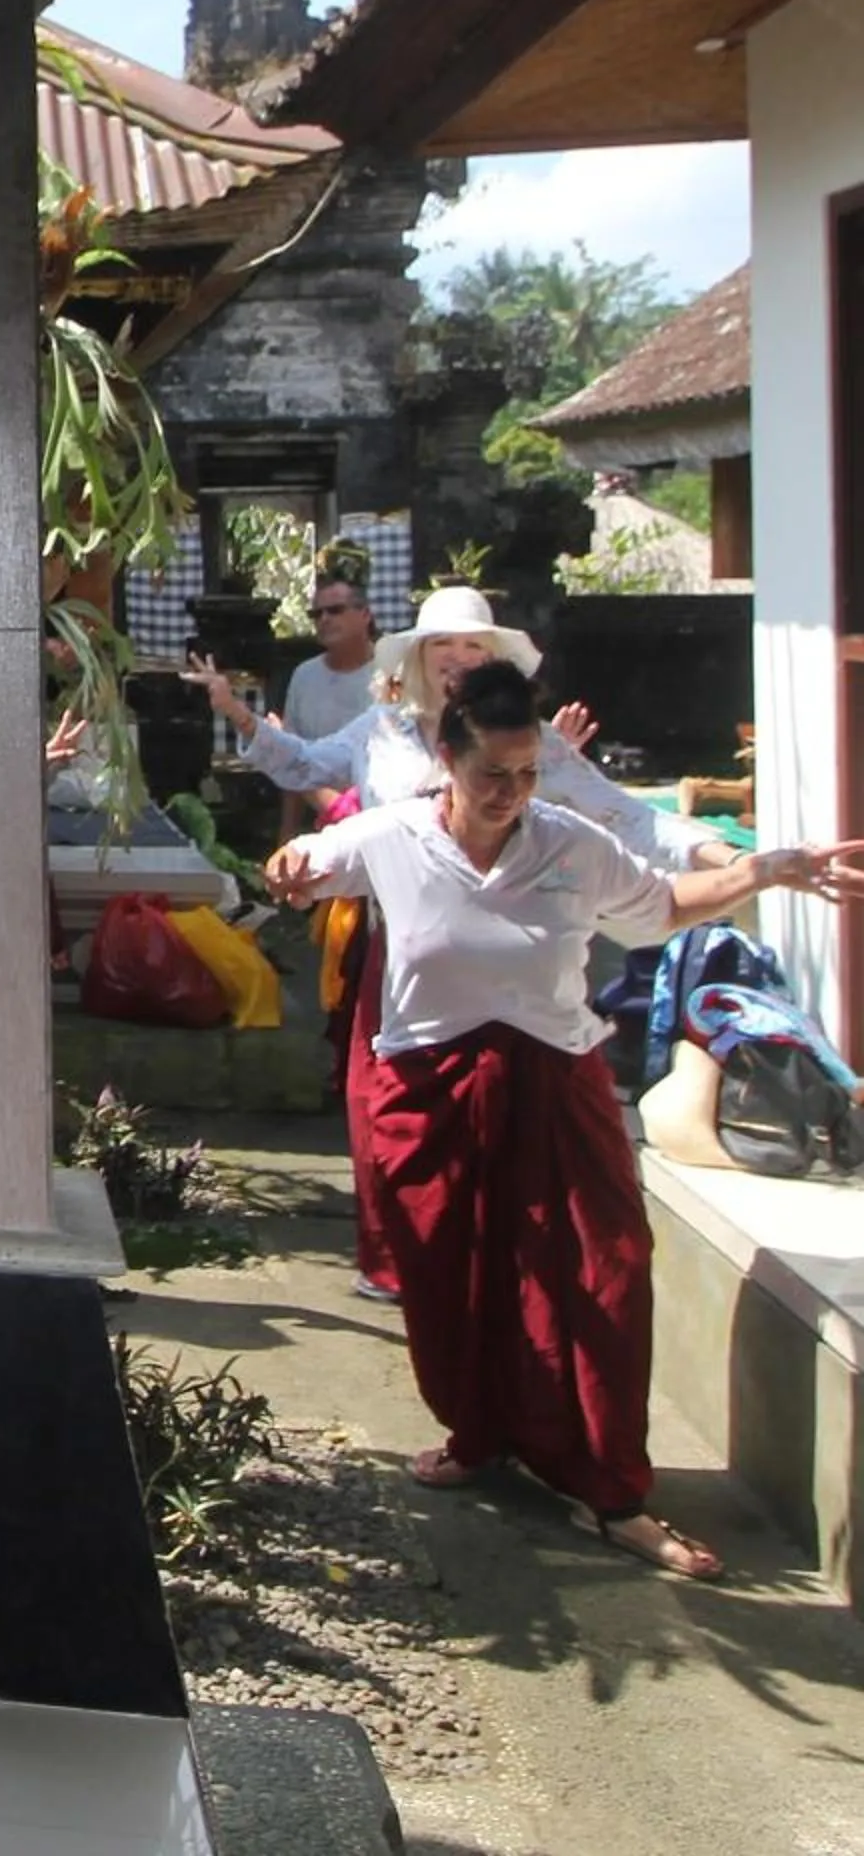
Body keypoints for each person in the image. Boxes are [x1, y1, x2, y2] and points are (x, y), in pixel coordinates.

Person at [264, 662, 861, 1582]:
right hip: (431, 1091)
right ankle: (480, 1435)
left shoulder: (570, 845)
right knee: (451, 1279)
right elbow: (306, 868)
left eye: (527, 773)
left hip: (554, 1081)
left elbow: (662, 905)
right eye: (492, 775)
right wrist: (289, 870)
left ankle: (611, 1489)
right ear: (447, 761)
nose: (511, 793)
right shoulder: (391, 837)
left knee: (602, 1275)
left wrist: (764, 871)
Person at [185, 585, 733, 1301]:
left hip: (517, 962)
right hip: (403, 947)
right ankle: (397, 1261)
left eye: (474, 646)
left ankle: (501, 1270)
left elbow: (625, 816)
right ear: (418, 658)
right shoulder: (381, 731)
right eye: (443, 645)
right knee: (385, 1108)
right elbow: (305, 767)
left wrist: (728, 859)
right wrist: (234, 712)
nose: (458, 659)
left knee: (513, 1124)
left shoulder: (535, 744)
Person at [276, 574, 378, 840]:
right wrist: (286, 837)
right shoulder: (304, 676)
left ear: (365, 614)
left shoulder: (392, 673)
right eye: (316, 614)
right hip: (320, 827)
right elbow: (291, 763)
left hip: (379, 822)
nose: (324, 619)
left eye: (335, 610)